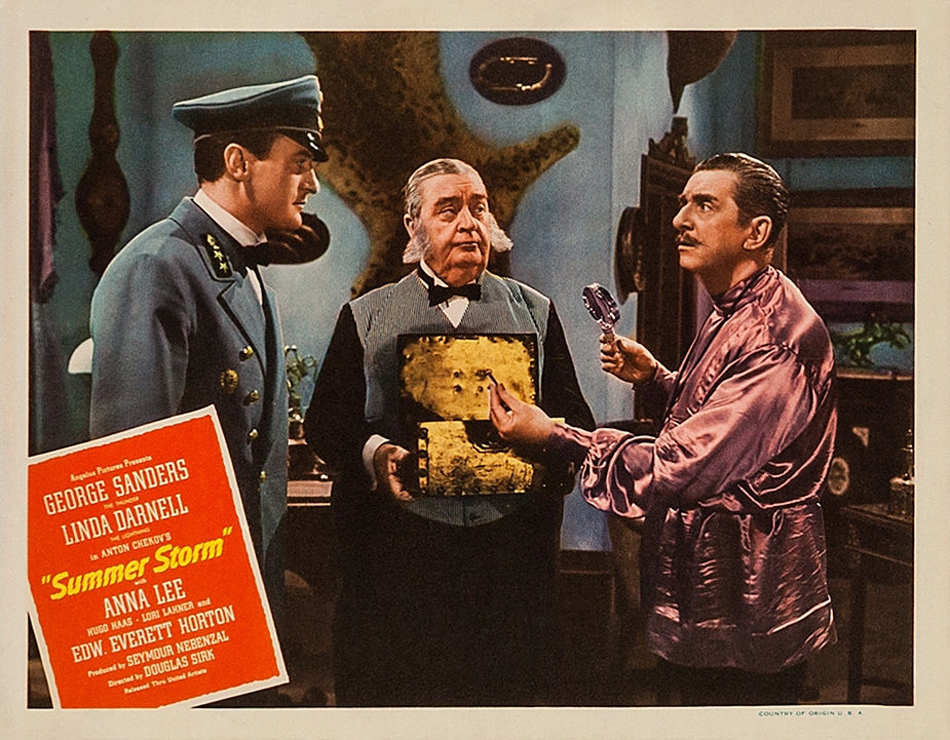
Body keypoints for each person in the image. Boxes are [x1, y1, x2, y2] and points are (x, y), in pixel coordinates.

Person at [490, 152, 837, 706]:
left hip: (747, 600)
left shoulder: (774, 337)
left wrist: (555, 435)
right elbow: (727, 425)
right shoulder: (737, 308)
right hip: (711, 591)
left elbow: (685, 464)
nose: (680, 219)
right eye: (682, 204)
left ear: (756, 232)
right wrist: (657, 379)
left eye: (705, 205)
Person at [304, 158, 594, 706]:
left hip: (509, 559)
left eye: (478, 208)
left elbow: (578, 420)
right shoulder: (367, 315)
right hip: (402, 559)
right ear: (414, 226)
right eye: (448, 209)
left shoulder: (535, 311)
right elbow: (327, 423)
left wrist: (544, 437)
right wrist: (378, 453)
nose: (468, 223)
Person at [89, 75, 330, 635]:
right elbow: (132, 471)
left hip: (243, 582)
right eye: (299, 164)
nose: (312, 184)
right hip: (185, 599)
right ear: (238, 162)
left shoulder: (236, 266)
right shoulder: (157, 267)